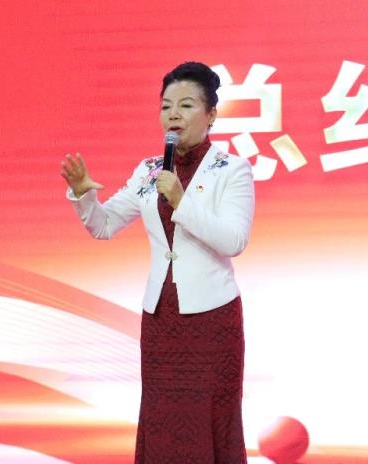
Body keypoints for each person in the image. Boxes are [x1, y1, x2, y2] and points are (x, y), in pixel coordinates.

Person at [61, 61, 254, 463]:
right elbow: (104, 225)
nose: (173, 115)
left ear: (211, 115)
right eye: (166, 106)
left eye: (186, 105)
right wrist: (83, 194)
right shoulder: (150, 170)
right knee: (163, 419)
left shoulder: (231, 169)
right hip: (162, 318)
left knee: (211, 421)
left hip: (212, 318)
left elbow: (234, 240)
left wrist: (181, 201)